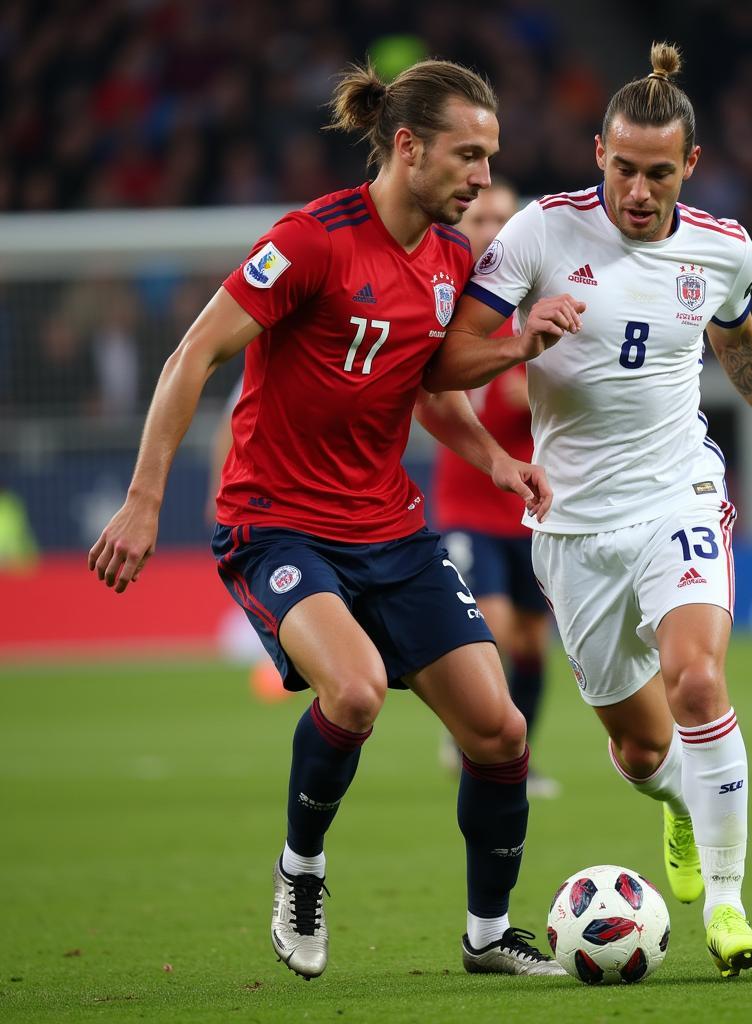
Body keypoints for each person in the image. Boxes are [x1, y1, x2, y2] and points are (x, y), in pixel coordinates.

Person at [88, 58, 566, 981]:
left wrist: (499, 459)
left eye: (490, 157)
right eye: (468, 156)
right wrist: (146, 501)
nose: (480, 177)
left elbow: (428, 387)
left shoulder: (451, 258)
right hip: (276, 524)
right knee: (353, 694)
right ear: (406, 145)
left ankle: (487, 936)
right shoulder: (311, 241)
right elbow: (193, 357)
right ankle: (301, 868)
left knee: (502, 733)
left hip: (391, 529)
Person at [424, 41, 752, 979]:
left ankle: (729, 909)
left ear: (688, 166)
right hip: (572, 525)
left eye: (658, 173)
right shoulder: (536, 234)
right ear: (595, 153)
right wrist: (523, 338)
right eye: (622, 169)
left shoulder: (724, 247)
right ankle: (681, 808)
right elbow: (441, 365)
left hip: (678, 492)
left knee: (697, 685)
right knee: (640, 745)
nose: (638, 191)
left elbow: (736, 341)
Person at [431, 178, 558, 798]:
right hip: (467, 502)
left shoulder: (540, 304)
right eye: (481, 217)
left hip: (529, 508)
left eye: (504, 219)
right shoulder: (444, 300)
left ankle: (516, 756)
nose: (492, 229)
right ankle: (475, 738)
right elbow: (432, 395)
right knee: (495, 628)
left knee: (532, 641)